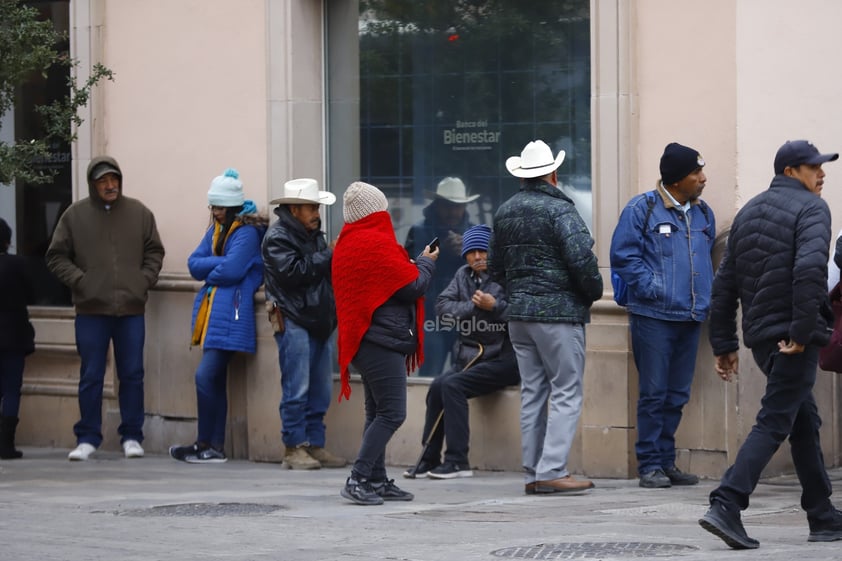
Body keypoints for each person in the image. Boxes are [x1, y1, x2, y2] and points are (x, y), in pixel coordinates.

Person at [700, 140, 842, 549]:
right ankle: (727, 502)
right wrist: (802, 332)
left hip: (762, 337)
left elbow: (724, 282)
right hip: (792, 336)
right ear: (790, 171)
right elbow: (811, 269)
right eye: (813, 167)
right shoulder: (812, 209)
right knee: (776, 419)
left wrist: (724, 342)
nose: (822, 174)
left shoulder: (749, 212)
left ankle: (822, 514)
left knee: (803, 421)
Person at [489, 140, 602, 495]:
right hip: (558, 314)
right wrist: (592, 294)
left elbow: (495, 267)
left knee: (534, 392)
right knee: (567, 390)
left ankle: (533, 472)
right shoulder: (560, 210)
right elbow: (583, 261)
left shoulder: (505, 211)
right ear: (553, 173)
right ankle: (552, 469)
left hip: (519, 314)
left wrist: (518, 293)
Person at [609, 142, 716, 488]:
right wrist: (653, 287)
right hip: (653, 316)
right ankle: (649, 465)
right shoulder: (643, 208)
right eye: (695, 173)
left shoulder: (703, 214)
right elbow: (623, 256)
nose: (703, 178)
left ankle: (667, 461)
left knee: (677, 394)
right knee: (653, 393)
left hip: (690, 315)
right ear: (675, 179)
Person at [45, 156, 165, 461]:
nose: (110, 185)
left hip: (131, 308)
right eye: (103, 181)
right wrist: (82, 282)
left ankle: (132, 436)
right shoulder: (75, 215)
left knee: (133, 374)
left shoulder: (139, 213)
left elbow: (154, 251)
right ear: (93, 184)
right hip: (90, 310)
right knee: (91, 375)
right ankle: (87, 437)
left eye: (114, 179)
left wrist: (143, 280)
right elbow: (56, 256)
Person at [333, 181, 437, 505]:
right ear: (375, 212)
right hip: (380, 341)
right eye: (384, 209)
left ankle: (376, 480)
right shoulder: (375, 244)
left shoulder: (348, 243)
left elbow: (390, 281)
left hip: (362, 340)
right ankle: (359, 477)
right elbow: (412, 286)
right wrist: (425, 262)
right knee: (392, 412)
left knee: (376, 410)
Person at [403, 224, 520, 480]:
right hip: (470, 357)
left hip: (502, 359)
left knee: (452, 385)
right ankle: (429, 457)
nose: (477, 257)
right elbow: (443, 307)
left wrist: (495, 306)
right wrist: (473, 308)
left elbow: (522, 315)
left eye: (483, 251)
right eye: (472, 252)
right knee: (437, 386)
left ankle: (457, 460)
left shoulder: (506, 276)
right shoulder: (462, 275)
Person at [169, 169, 267, 463]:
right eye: (212, 206)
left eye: (219, 207)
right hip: (215, 314)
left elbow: (233, 270)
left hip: (232, 314)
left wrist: (214, 269)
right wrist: (219, 265)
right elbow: (192, 264)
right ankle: (209, 445)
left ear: (233, 207)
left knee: (205, 376)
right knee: (212, 380)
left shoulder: (247, 233)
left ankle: (210, 445)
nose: (214, 212)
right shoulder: (216, 230)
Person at [262, 178, 346, 470]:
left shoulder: (314, 236)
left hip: (319, 319)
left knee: (320, 388)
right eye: (311, 207)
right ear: (294, 209)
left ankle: (313, 443)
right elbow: (294, 272)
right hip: (293, 317)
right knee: (296, 387)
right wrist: (330, 254)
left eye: (317, 207)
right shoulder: (278, 237)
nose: (316, 212)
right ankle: (293, 447)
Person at [404, 177, 478, 376]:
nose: (453, 212)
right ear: (437, 205)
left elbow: (486, 275)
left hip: (465, 318)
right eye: (448, 206)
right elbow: (409, 274)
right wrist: (442, 252)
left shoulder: (473, 234)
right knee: (429, 377)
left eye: (458, 207)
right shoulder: (419, 231)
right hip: (430, 316)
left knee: (465, 377)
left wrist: (468, 254)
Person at [0, 218, 35, 459]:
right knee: (12, 389)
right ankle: (6, 445)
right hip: (13, 334)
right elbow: (32, 293)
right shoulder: (18, 264)